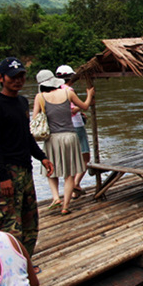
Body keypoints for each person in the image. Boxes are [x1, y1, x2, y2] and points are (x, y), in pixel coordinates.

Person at [0, 57, 54, 257]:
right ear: (1, 78)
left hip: (25, 170)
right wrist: (3, 176)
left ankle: (25, 264)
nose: (18, 80)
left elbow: (26, 136)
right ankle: (5, 268)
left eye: (21, 76)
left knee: (29, 222)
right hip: (5, 172)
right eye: (13, 77)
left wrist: (42, 157)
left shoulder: (22, 102)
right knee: (7, 226)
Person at [33, 70, 94, 216]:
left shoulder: (40, 97)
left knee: (51, 169)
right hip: (70, 137)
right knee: (70, 173)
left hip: (52, 138)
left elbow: (35, 118)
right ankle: (66, 206)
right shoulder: (68, 93)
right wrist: (90, 95)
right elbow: (84, 106)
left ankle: (55, 198)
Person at [55, 65, 90, 197]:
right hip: (76, 126)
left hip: (62, 128)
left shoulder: (54, 90)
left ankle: (75, 189)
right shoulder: (68, 90)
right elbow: (83, 106)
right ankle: (75, 183)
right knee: (85, 158)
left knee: (71, 160)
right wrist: (89, 96)